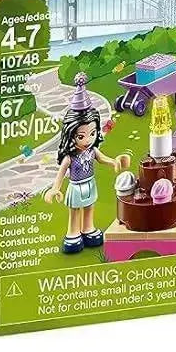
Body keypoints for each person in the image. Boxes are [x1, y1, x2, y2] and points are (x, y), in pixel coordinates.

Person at [44, 73, 129, 254]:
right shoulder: (70, 157)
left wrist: (114, 161)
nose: (88, 140)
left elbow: (102, 158)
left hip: (89, 183)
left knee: (89, 207)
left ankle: (88, 229)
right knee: (75, 210)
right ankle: (73, 233)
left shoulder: (92, 151)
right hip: (76, 186)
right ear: (71, 135)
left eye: (92, 133)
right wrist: (55, 189)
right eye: (81, 136)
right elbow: (61, 173)